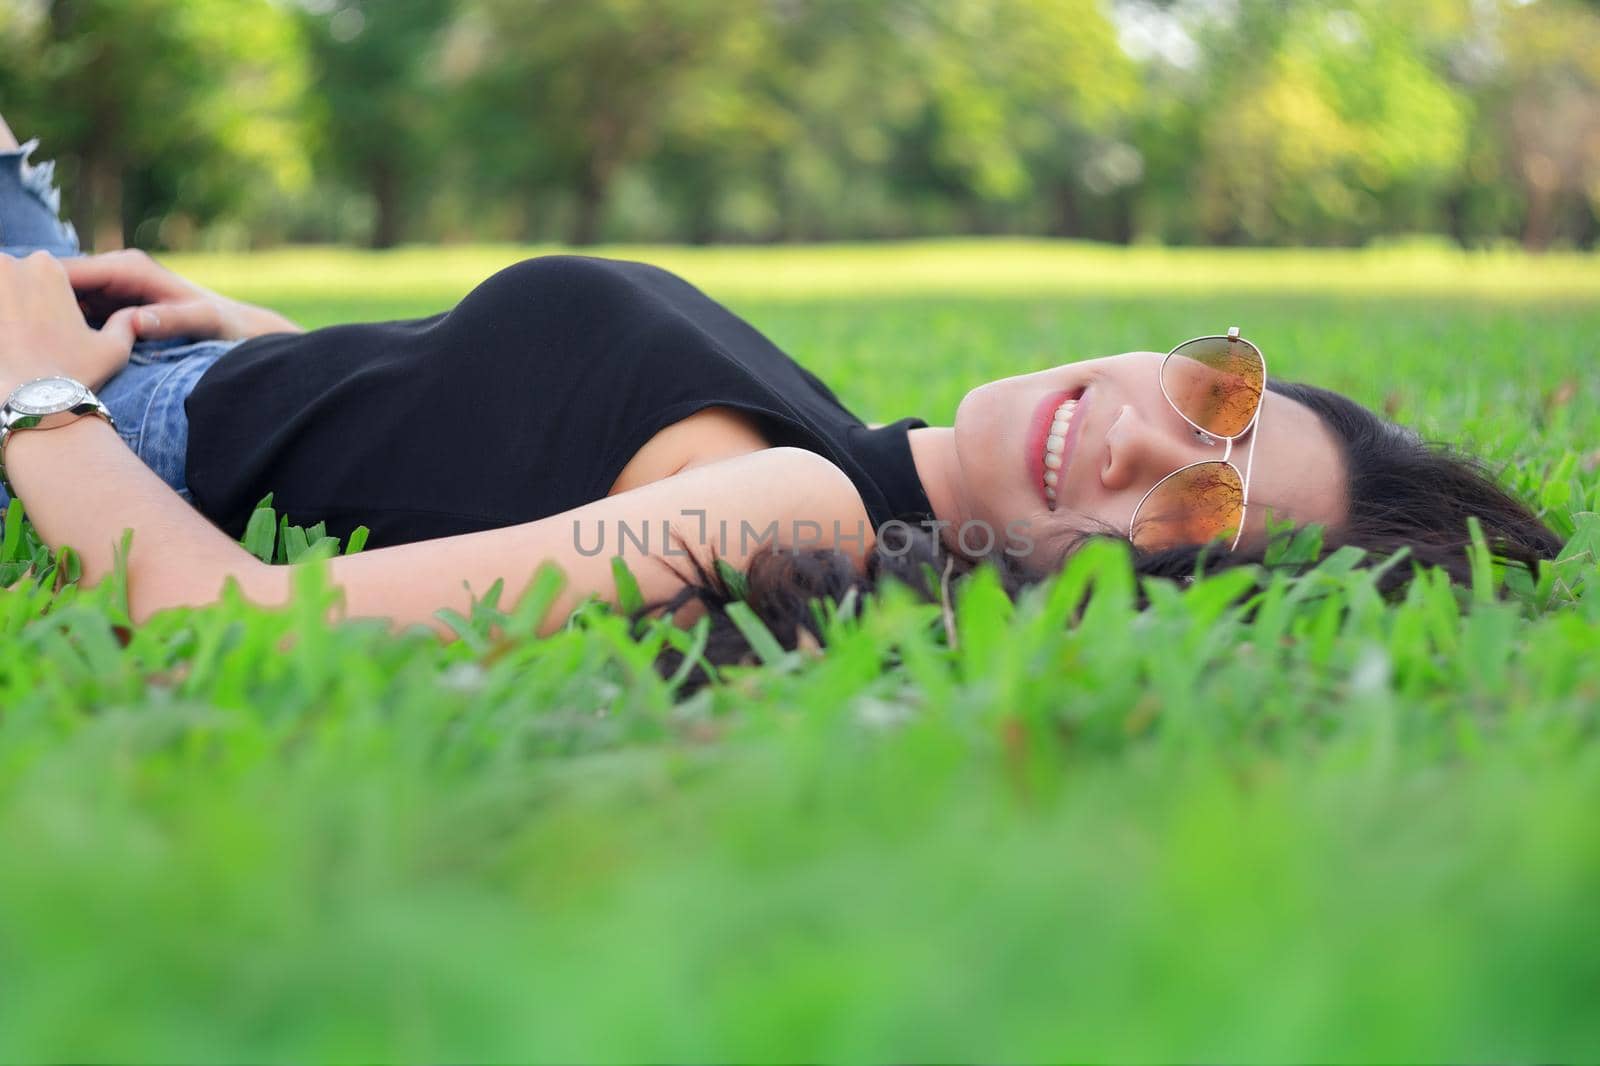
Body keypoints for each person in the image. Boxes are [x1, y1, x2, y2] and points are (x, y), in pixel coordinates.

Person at [0, 117, 1564, 682]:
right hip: (155, 345)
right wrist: (279, 339)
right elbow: (477, 432)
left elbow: (233, 610)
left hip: (78, 409)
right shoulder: (844, 436)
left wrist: (35, 390)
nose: (1149, 430)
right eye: (1219, 391)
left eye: (1198, 500)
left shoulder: (806, 509)